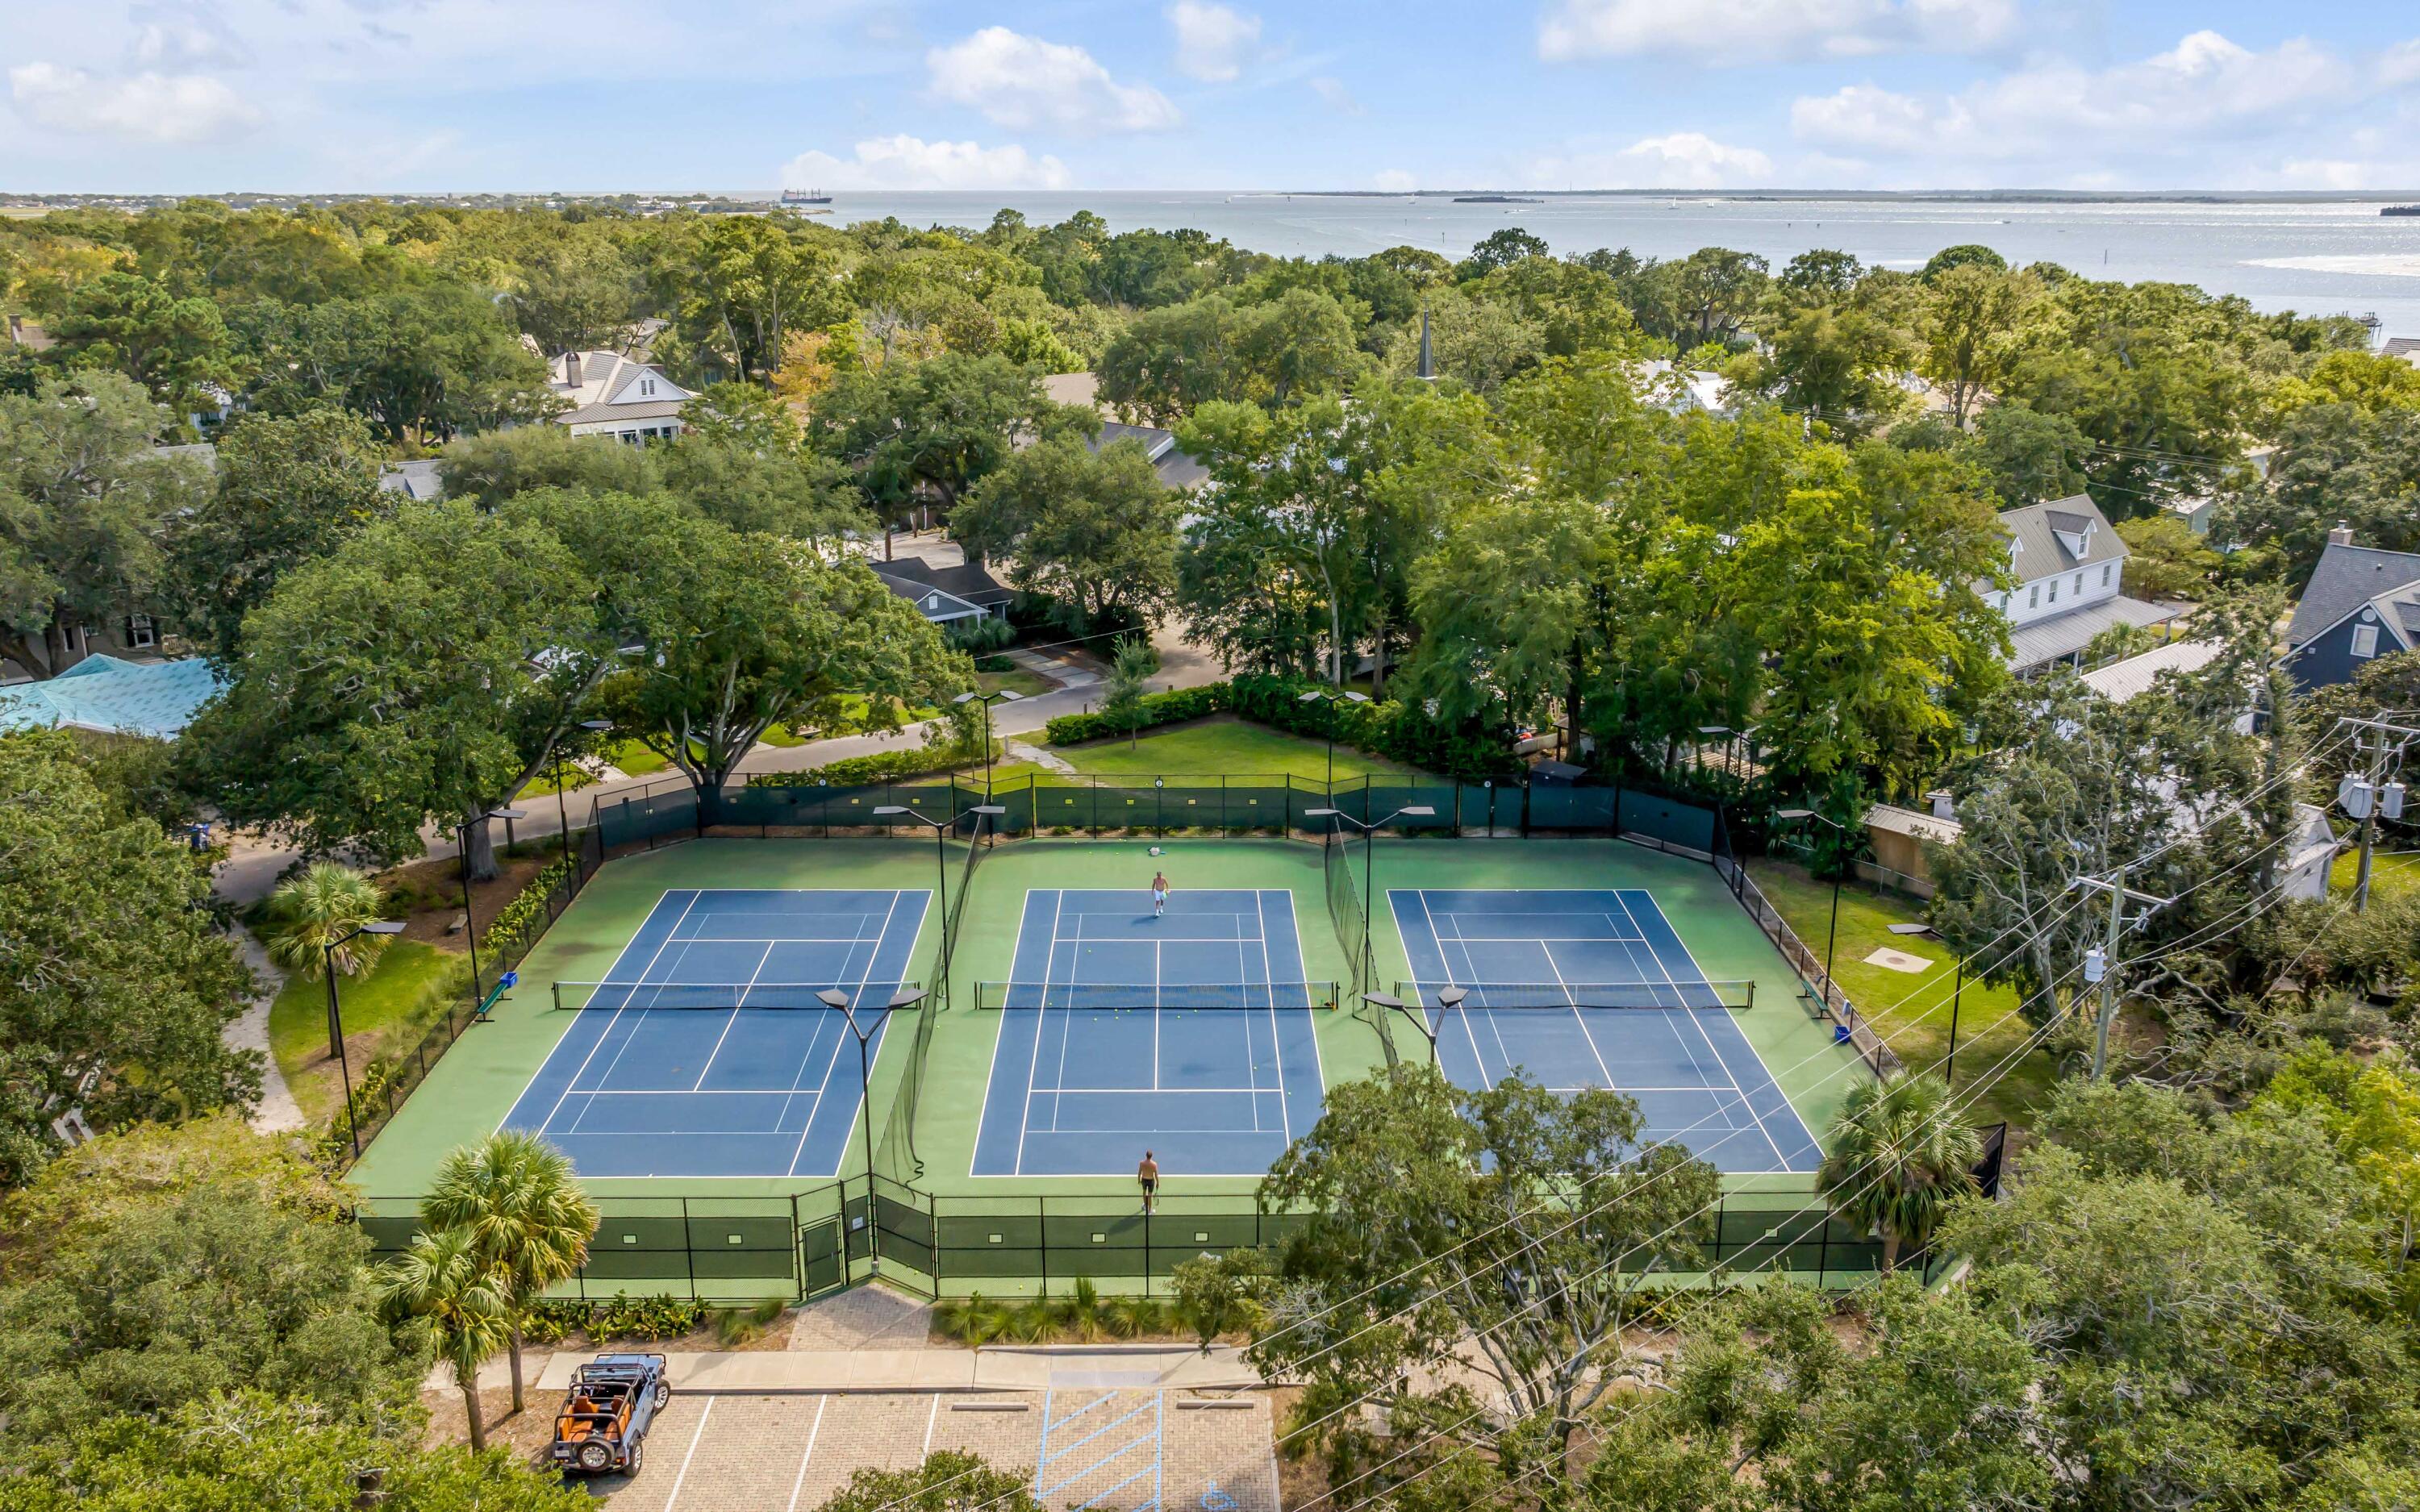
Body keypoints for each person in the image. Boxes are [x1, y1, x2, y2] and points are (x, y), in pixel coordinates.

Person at [1137, 1149, 1159, 1213]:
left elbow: (1139, 1173)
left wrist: (1139, 1180)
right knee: (1150, 1195)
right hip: (1151, 1181)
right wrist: (1158, 1182)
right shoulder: (1154, 1164)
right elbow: (1156, 1175)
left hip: (1144, 1180)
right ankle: (1149, 1211)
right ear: (1151, 1156)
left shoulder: (1141, 1163)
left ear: (1146, 1155)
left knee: (1144, 1192)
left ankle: (1145, 1205)